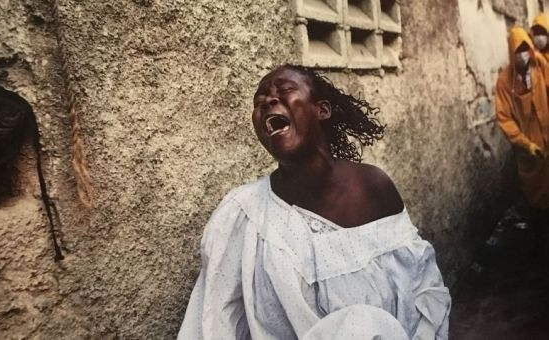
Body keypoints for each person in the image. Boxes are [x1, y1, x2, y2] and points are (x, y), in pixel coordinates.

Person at [177, 65, 451, 339]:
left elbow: (420, 285)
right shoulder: (243, 215)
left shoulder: (372, 188)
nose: (269, 101)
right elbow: (215, 319)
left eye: (284, 91)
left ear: (322, 110)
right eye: (259, 102)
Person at [495, 27, 549, 245]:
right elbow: (504, 118)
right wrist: (526, 144)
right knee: (535, 195)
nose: (523, 54)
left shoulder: (541, 66)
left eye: (525, 49)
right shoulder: (505, 82)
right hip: (530, 148)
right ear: (511, 53)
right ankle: (539, 238)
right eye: (518, 50)